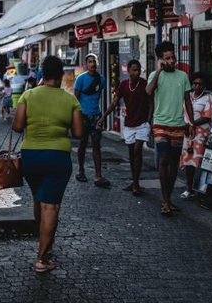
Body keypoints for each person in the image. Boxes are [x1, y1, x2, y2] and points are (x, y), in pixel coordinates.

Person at [12, 56, 82, 273]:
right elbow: (78, 133)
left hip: (31, 156)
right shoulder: (70, 100)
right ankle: (42, 259)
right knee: (50, 206)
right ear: (61, 75)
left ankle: (46, 244)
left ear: (42, 74)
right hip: (57, 157)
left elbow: (17, 126)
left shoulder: (28, 95)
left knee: (39, 199)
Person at [147, 41, 196, 216]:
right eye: (167, 58)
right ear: (161, 59)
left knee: (174, 163)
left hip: (177, 124)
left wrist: (191, 122)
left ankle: (168, 198)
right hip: (160, 123)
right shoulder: (155, 74)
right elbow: (148, 91)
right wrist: (159, 71)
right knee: (163, 159)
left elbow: (187, 101)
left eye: (173, 57)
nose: (171, 60)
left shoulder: (182, 76)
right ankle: (165, 200)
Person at [98, 59, 150, 196]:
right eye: (134, 70)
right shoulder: (123, 85)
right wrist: (104, 117)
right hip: (129, 124)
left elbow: (152, 101)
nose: (137, 72)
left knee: (138, 150)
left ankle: (137, 184)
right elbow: (115, 102)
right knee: (132, 153)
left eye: (138, 70)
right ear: (128, 71)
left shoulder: (144, 84)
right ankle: (134, 180)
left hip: (143, 123)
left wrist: (150, 120)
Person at [74, 53, 109, 187]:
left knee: (96, 145)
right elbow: (75, 98)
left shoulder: (101, 79)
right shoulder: (81, 79)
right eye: (90, 61)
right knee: (82, 144)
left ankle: (98, 175)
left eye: (94, 61)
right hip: (83, 116)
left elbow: (102, 96)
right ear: (86, 64)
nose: (92, 64)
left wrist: (103, 115)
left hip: (96, 115)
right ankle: (81, 171)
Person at [180, 72, 212, 200]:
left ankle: (202, 189)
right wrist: (186, 126)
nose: (197, 86)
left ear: (204, 85)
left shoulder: (208, 98)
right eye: (195, 83)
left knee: (201, 162)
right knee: (189, 161)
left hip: (201, 135)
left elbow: (207, 116)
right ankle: (189, 189)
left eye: (200, 84)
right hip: (188, 134)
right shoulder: (187, 96)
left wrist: (192, 124)